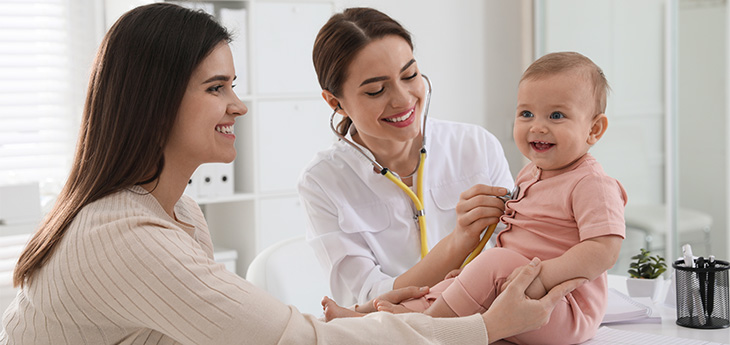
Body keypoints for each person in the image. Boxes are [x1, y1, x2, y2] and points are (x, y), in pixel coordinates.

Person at [0, 4, 586, 344]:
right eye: (216, 88)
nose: (239, 105)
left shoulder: (177, 211)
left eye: (232, 85)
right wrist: (480, 326)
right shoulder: (127, 239)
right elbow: (299, 340)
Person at [322, 52, 627, 345]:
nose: (537, 126)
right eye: (526, 113)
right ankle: (363, 321)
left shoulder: (592, 184)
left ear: (594, 129)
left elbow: (604, 250)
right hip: (516, 292)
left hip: (561, 306)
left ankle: (424, 329)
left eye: (556, 115)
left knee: (492, 262)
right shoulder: (530, 173)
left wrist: (539, 278)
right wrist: (476, 273)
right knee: (447, 284)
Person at [299, 7, 514, 307]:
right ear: (336, 102)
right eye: (376, 90)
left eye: (410, 75)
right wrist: (457, 243)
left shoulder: (476, 145)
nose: (403, 100)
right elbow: (369, 299)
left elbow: (520, 248)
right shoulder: (322, 181)